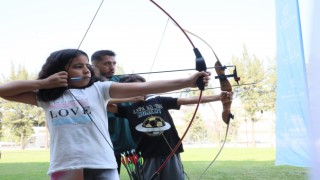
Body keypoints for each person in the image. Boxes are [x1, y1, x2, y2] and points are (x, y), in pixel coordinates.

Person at [0, 49, 210, 180]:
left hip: (102, 164)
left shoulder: (100, 89)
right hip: (65, 165)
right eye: (78, 67)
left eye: (87, 67)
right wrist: (43, 83)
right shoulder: (46, 97)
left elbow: (146, 87)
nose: (86, 71)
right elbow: (4, 91)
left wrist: (189, 81)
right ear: (60, 72)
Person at [108, 74, 232, 180]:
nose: (140, 90)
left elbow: (188, 100)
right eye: (133, 89)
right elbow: (103, 103)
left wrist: (217, 97)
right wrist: (127, 98)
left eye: (141, 87)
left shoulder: (159, 100)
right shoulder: (127, 108)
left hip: (170, 151)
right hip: (147, 154)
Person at [91, 50, 138, 174]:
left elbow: (141, 84)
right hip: (106, 146)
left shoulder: (122, 80)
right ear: (94, 66)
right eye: (107, 63)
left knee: (143, 176)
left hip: (132, 144)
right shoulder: (89, 84)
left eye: (114, 63)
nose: (112, 67)